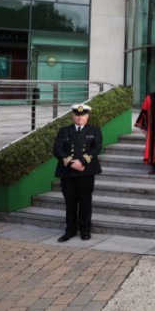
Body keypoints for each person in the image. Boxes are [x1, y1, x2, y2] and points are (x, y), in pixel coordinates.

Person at [53, 104, 103, 242]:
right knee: (70, 203)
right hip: (68, 173)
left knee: (85, 203)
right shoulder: (64, 131)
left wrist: (81, 162)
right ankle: (70, 230)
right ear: (72, 116)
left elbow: (96, 148)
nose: (79, 117)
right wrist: (71, 163)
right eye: (77, 115)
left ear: (87, 116)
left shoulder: (94, 130)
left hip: (86, 172)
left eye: (82, 115)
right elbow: (57, 150)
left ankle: (85, 230)